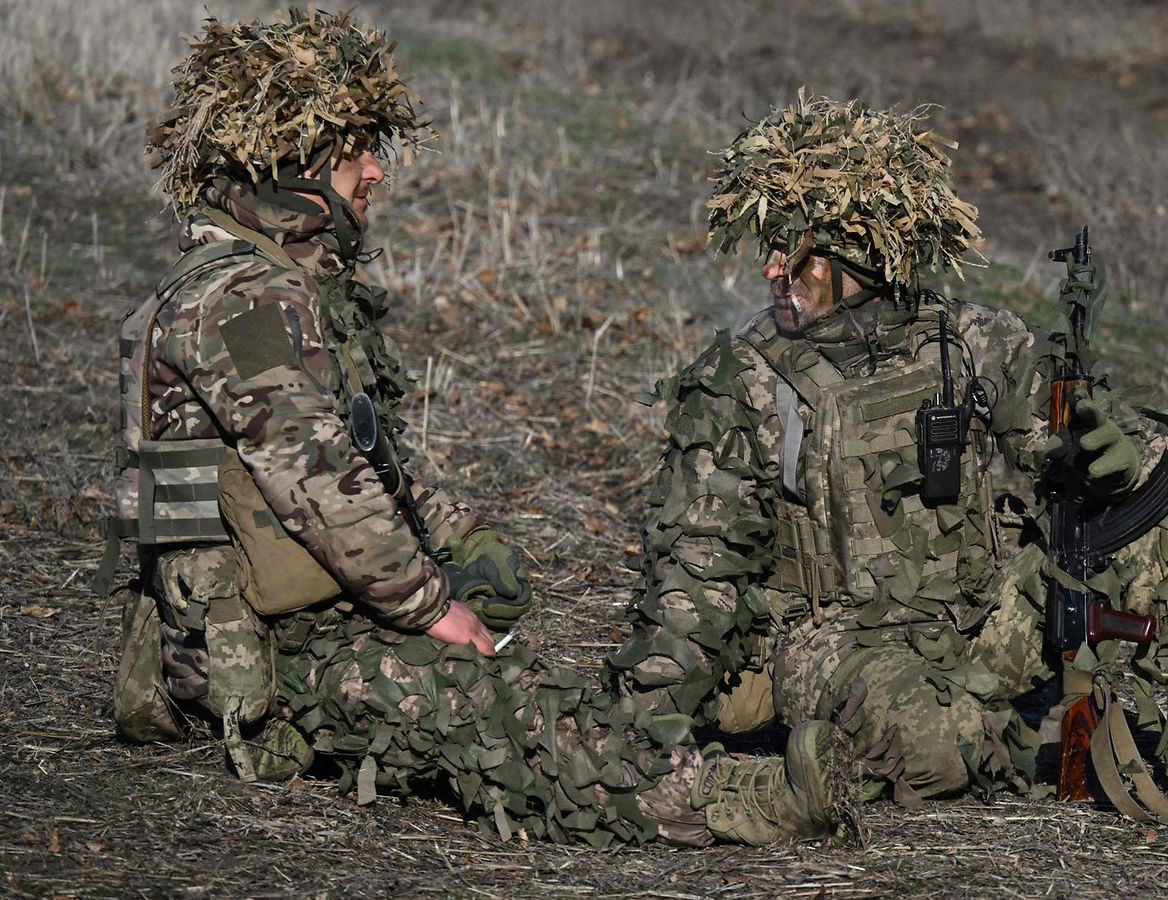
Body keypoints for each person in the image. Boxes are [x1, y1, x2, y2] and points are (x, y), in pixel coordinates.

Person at [103, 10, 853, 848]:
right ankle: (737, 800)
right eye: (355, 151)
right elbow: (321, 485)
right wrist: (428, 606)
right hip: (271, 651)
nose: (376, 172)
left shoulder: (259, 288)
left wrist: (456, 535)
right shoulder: (244, 302)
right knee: (488, 713)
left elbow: (358, 462)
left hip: (299, 616)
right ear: (297, 165)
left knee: (500, 658)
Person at [605, 94, 1168, 818]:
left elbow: (1073, 430)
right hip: (831, 641)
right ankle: (1042, 735)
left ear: (856, 255)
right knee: (931, 746)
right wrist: (648, 730)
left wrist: (1112, 453)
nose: (771, 271)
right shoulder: (740, 381)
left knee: (1163, 542)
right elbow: (695, 573)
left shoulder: (973, 342)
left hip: (986, 613)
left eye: (792, 251)